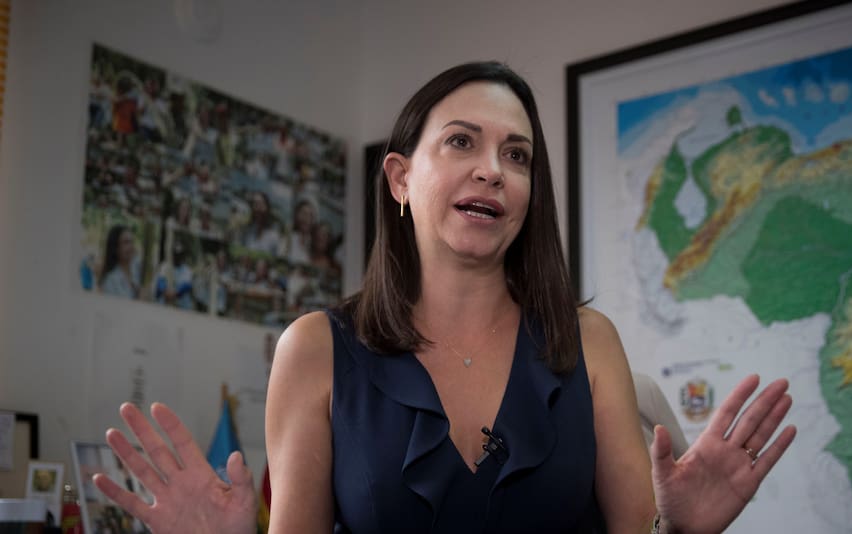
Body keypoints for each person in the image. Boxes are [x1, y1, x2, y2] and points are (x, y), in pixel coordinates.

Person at [92, 61, 796, 533]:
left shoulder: (590, 342)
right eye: (462, 142)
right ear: (399, 178)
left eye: (517, 155)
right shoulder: (313, 349)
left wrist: (686, 532)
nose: (493, 170)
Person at [99, 224, 143, 299]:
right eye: (126, 242)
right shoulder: (110, 280)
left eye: (132, 242)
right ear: (115, 248)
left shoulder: (137, 268)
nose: (131, 246)